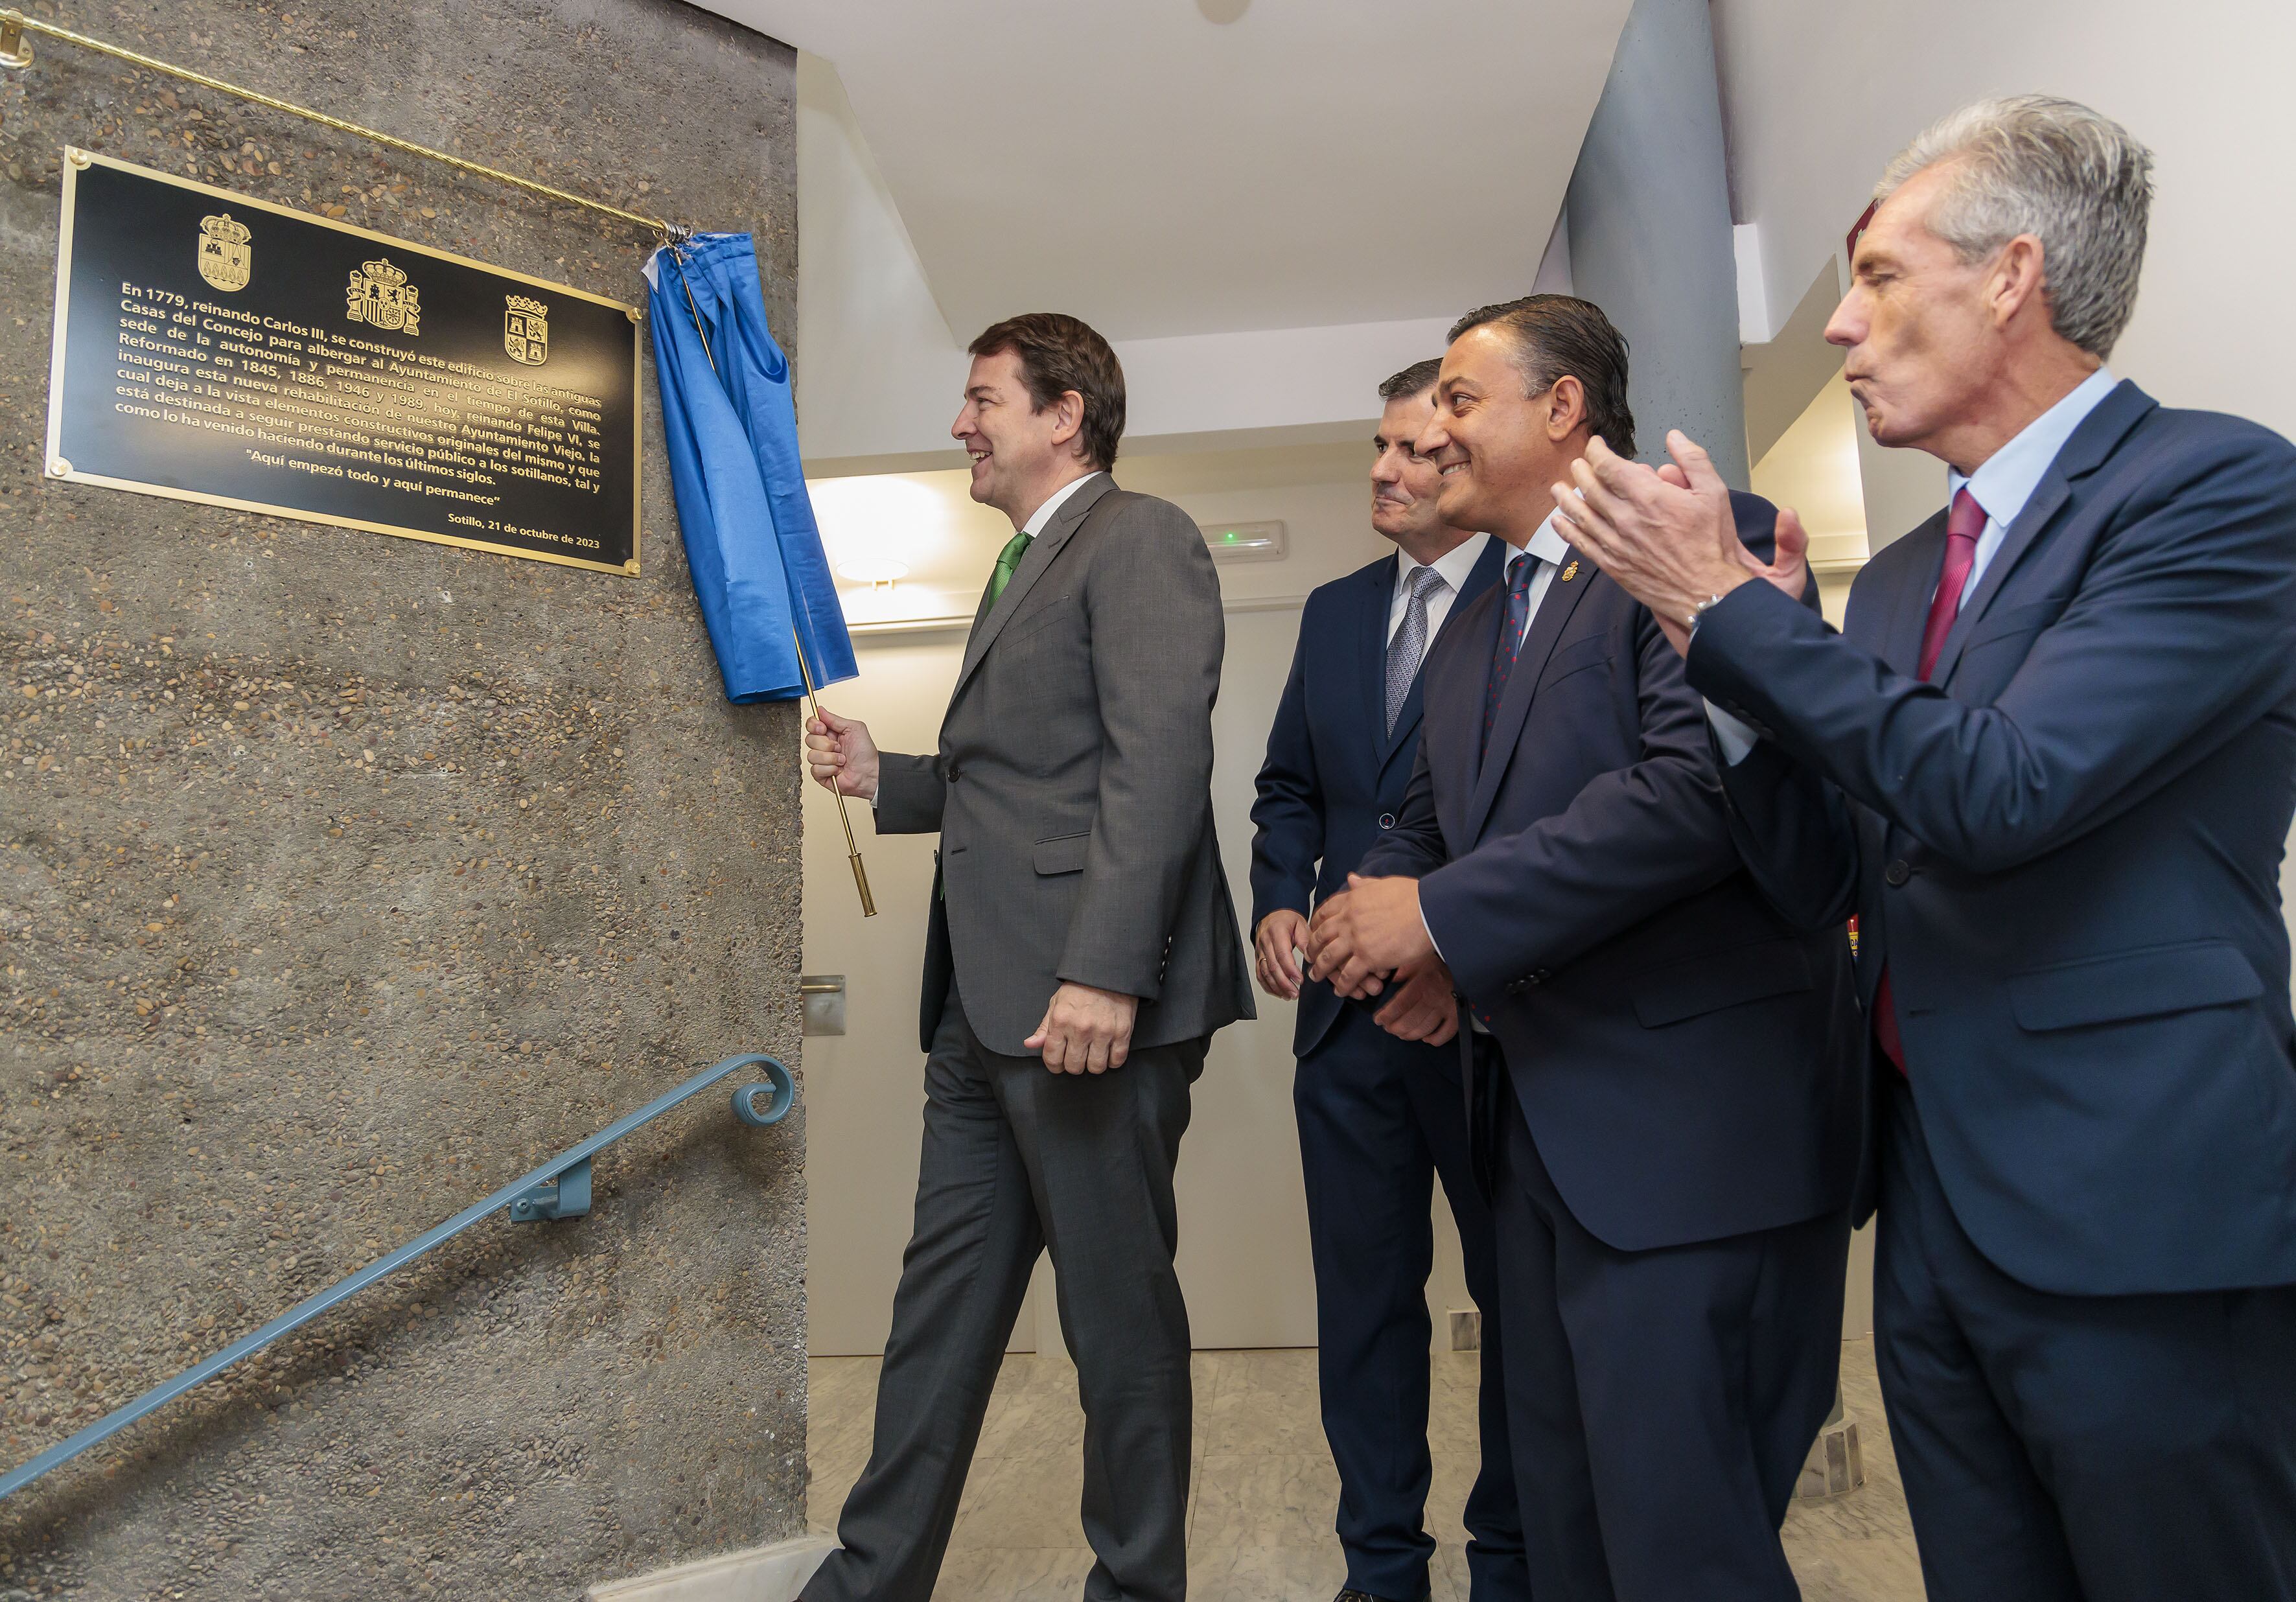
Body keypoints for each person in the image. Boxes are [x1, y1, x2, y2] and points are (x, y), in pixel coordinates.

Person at [1552, 95, 2296, 1602]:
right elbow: (1836, 874)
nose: (1838, 324)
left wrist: (1731, 617)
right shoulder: (1892, 574)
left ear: (2009, 276)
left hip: (2128, 1203)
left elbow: (2003, 792)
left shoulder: (2216, 490)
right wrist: (1734, 670)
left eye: (1878, 274)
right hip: (1928, 1196)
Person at [1305, 296, 1862, 1602]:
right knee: (1563, 1530)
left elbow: (1695, 798)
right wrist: (1394, 908)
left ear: (1560, 410)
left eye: (1456, 399)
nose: (1429, 431)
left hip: (1687, 1148)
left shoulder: (1709, 538)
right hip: (1537, 1145)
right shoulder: (1474, 616)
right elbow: (1422, 815)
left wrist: (1442, 917)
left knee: (1683, 1544)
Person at [800, 312, 1254, 1602]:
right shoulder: (1018, 567)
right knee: (936, 1321)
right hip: (981, 1012)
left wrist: (1106, 971)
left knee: (1115, 1337)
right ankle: (865, 1584)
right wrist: (886, 777)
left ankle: (1134, 1588)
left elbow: (1156, 765)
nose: (961, 421)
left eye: (982, 396)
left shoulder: (1141, 537)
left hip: (1083, 1007)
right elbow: (1025, 779)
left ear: (1066, 414)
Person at [1248, 358, 1518, 1602]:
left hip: (1487, 1026)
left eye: (1419, 451)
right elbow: (1290, 788)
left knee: (1519, 1301)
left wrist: (1457, 954)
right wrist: (1280, 896)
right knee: (1365, 1308)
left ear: (1469, 468)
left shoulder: (1525, 605)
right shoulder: (1335, 611)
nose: (1388, 471)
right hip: (1341, 1030)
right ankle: (1382, 1566)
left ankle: (1511, 1553)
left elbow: (1529, 815)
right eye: (1381, 447)